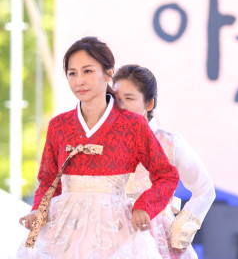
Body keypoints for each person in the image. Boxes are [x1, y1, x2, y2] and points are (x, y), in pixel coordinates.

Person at [18, 36, 180, 258]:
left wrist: (144, 206)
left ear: (108, 73)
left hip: (116, 231)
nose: (79, 81)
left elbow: (167, 175)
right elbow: (48, 181)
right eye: (72, 73)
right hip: (63, 231)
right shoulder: (59, 125)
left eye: (87, 71)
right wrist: (37, 210)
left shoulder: (133, 125)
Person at [113, 64, 216, 259]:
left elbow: (204, 188)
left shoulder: (169, 143)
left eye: (129, 98)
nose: (122, 106)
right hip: (111, 235)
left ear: (149, 103)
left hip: (156, 236)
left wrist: (181, 230)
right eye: (117, 99)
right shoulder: (106, 144)